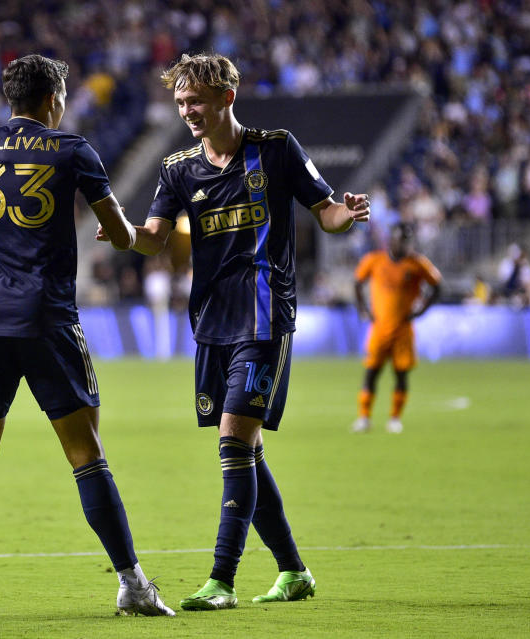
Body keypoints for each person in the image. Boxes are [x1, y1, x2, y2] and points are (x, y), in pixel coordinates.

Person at [97, 53, 370, 611]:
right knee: (247, 450)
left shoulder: (276, 148)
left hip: (265, 316)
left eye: (194, 100)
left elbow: (326, 213)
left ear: (226, 97)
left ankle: (221, 580)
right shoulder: (178, 169)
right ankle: (294, 570)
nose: (187, 110)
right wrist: (123, 232)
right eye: (179, 102)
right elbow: (152, 237)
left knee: (232, 443)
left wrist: (347, 212)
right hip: (212, 322)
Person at [0, 54, 174, 620]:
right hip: (47, 319)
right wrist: (136, 236)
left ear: (10, 100)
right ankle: (132, 584)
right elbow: (117, 232)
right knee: (87, 455)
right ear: (54, 98)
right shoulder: (72, 150)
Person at [352, 223, 441, 434]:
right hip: (379, 329)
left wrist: (421, 311)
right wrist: (363, 309)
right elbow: (357, 283)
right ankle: (364, 417)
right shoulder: (374, 260)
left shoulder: (418, 264)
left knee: (401, 374)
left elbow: (438, 287)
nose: (405, 244)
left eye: (408, 240)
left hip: (403, 330)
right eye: (402, 239)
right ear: (391, 240)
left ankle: (395, 418)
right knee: (371, 373)